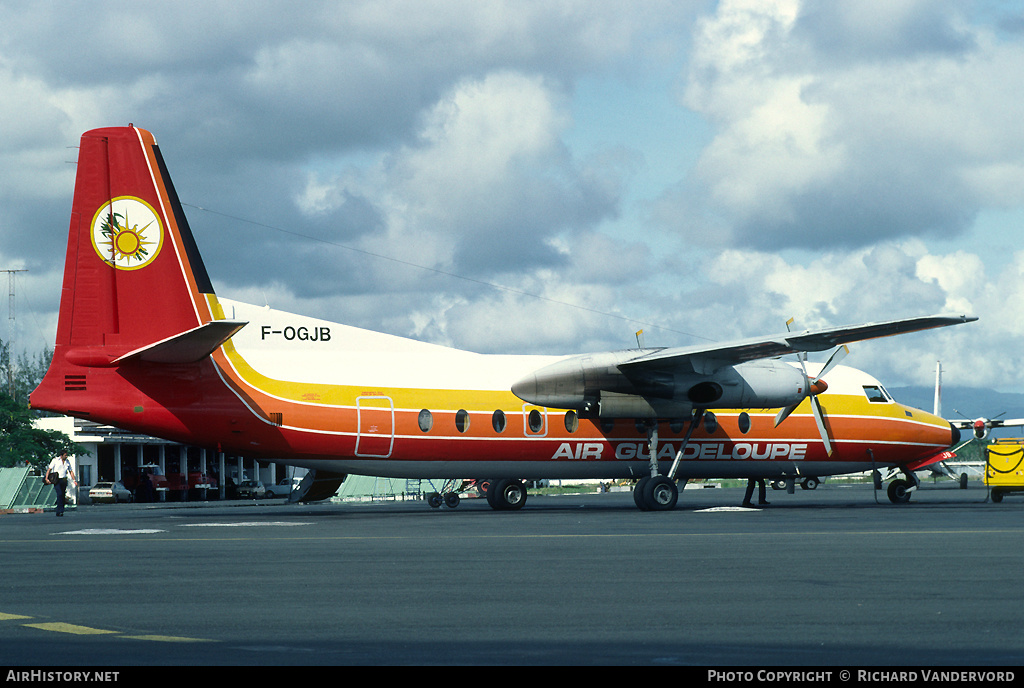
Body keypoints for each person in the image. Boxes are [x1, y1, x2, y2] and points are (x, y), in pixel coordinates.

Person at [45, 450, 77, 517]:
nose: (66, 456)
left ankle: (61, 510)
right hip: (57, 480)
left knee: (62, 495)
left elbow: (70, 471)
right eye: (65, 455)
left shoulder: (67, 461)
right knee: (59, 494)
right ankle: (58, 510)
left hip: (64, 480)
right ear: (61, 455)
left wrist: (74, 480)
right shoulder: (55, 460)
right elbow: (49, 469)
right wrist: (46, 478)